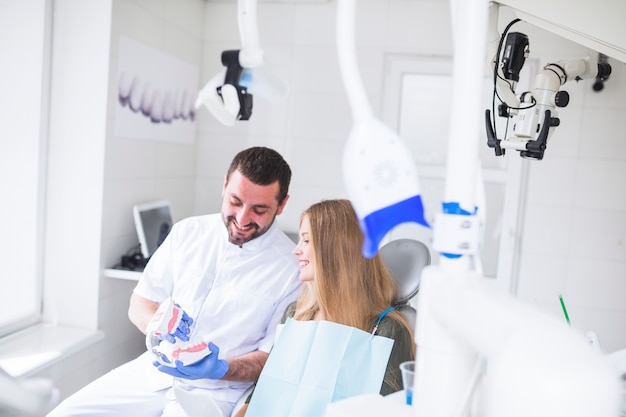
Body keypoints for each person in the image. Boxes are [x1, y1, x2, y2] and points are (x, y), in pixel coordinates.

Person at [47, 146, 301, 417]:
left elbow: (269, 359)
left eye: (259, 210)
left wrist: (221, 368)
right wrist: (156, 324)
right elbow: (141, 301)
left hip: (215, 392)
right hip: (154, 372)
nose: (241, 219)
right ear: (224, 185)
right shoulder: (187, 232)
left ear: (282, 204)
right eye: (235, 202)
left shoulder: (291, 269)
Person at [234, 199, 415, 417]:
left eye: (306, 240)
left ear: (335, 249)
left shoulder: (387, 331)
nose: (296, 251)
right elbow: (260, 396)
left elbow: (393, 410)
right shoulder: (296, 315)